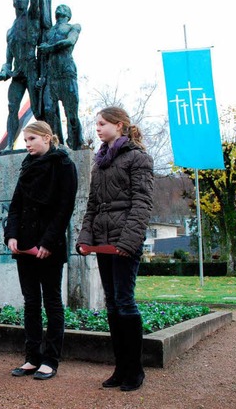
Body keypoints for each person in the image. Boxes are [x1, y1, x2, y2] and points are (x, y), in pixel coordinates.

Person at [76, 107, 154, 391]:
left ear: (118, 125)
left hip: (124, 241)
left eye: (102, 123)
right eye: (96, 123)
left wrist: (128, 243)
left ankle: (135, 370)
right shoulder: (99, 162)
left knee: (125, 301)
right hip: (103, 241)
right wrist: (85, 240)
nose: (97, 128)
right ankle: (120, 368)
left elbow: (142, 202)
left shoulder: (138, 158)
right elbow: (92, 206)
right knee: (112, 303)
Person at [3, 121, 77, 380]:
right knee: (31, 302)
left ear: (47, 138)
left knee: (52, 302)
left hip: (49, 247)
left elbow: (65, 208)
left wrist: (48, 242)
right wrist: (10, 235)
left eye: (32, 139)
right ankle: (32, 357)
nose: (28, 144)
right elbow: (16, 205)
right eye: (25, 141)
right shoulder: (27, 165)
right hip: (24, 245)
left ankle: (50, 360)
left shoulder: (64, 165)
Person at [0, 0, 44, 151]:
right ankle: (9, 145)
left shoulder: (33, 17)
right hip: (18, 73)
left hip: (32, 69)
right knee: (12, 107)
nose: (20, 0)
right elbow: (8, 59)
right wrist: (3, 71)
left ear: (27, 1)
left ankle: (49, 142)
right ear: (13, 2)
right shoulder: (10, 31)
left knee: (37, 110)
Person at [37, 4, 84, 150]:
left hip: (67, 73)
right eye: (59, 7)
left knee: (71, 114)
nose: (60, 8)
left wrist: (50, 48)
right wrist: (42, 78)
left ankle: (75, 143)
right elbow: (43, 59)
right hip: (51, 77)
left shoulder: (73, 27)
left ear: (68, 14)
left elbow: (70, 41)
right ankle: (56, 144)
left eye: (64, 7)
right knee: (49, 110)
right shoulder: (48, 32)